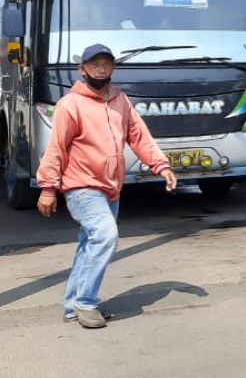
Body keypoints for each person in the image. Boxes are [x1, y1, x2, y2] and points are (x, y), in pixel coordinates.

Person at [36, 43, 179, 329]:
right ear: (83, 69)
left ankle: (71, 306)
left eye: (106, 63)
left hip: (111, 187)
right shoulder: (70, 105)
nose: (100, 68)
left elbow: (139, 137)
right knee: (105, 236)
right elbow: (56, 149)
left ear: (112, 68)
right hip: (81, 186)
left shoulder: (120, 100)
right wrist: (48, 188)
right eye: (94, 64)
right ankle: (86, 303)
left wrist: (161, 166)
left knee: (89, 244)